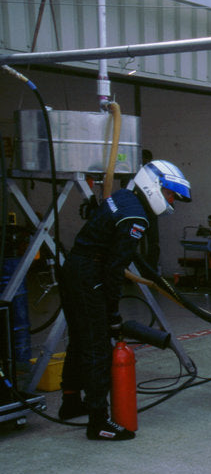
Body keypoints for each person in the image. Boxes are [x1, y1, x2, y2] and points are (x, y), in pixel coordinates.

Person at [59, 160, 191, 440]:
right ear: (153, 187)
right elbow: (114, 268)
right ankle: (98, 422)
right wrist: (112, 312)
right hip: (89, 273)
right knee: (98, 347)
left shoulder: (123, 198)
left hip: (73, 268)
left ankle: (70, 403)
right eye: (169, 194)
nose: (170, 201)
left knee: (79, 339)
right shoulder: (136, 218)